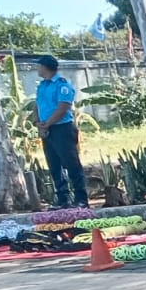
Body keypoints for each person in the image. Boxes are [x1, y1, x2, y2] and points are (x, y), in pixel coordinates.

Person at [32, 55, 88, 209]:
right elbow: (37, 105)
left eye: (39, 65)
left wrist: (47, 124)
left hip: (62, 128)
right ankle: (62, 199)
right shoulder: (42, 86)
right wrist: (38, 123)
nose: (37, 68)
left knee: (71, 164)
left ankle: (81, 199)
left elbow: (63, 107)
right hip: (46, 129)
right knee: (54, 164)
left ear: (45, 67)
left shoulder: (62, 85)